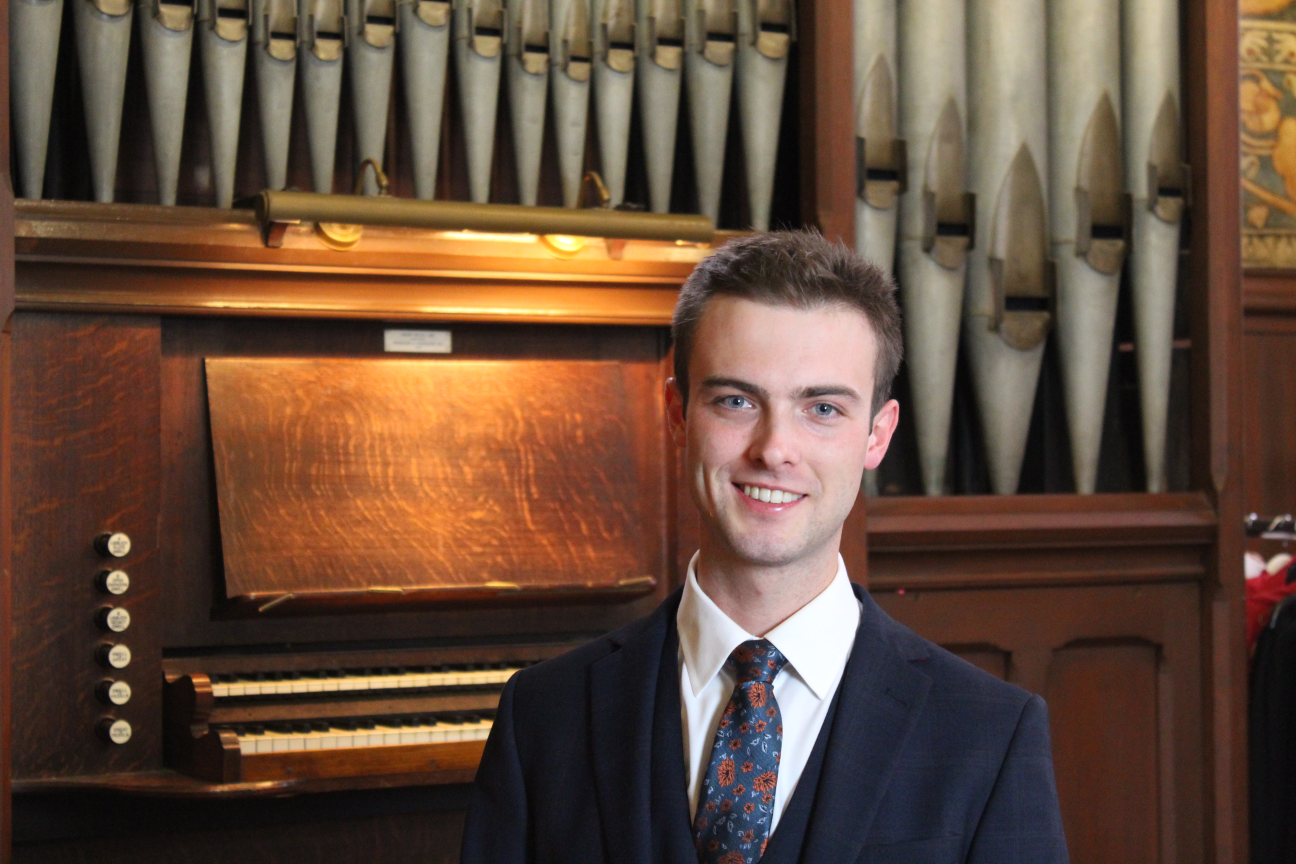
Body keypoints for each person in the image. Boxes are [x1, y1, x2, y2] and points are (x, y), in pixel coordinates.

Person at [461, 230, 1069, 864]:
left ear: (876, 435)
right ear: (677, 413)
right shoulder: (541, 716)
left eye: (823, 409)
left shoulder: (990, 734)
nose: (775, 449)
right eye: (735, 400)